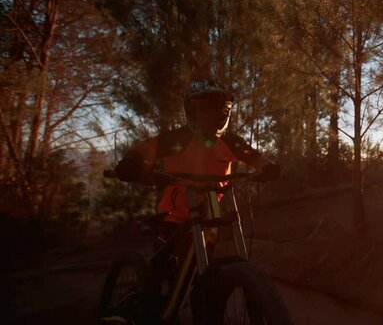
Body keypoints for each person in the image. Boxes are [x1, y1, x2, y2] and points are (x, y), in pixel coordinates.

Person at [113, 79, 280, 225]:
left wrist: (268, 167)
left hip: (211, 211)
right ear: (192, 112)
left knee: (208, 254)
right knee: (173, 260)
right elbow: (147, 147)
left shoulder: (230, 141)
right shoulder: (179, 138)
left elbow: (252, 155)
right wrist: (131, 160)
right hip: (173, 216)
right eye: (205, 112)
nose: (210, 118)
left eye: (217, 111)